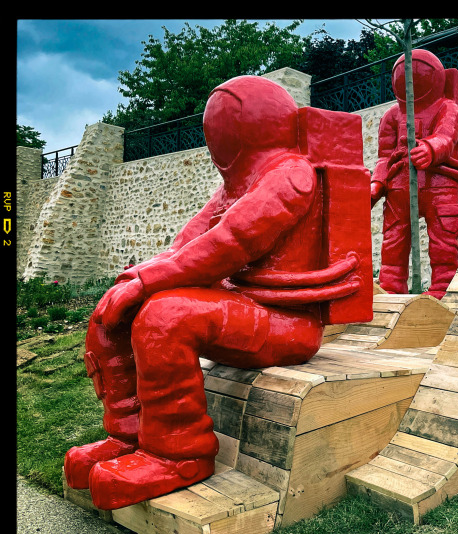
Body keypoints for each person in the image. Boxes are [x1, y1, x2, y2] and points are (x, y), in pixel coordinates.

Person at [64, 76, 363, 510]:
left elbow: (230, 243)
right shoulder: (234, 186)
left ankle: (180, 454)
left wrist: (147, 282)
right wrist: (135, 279)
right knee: (110, 314)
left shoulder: (291, 174)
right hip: (247, 312)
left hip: (289, 325)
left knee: (165, 317)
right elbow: (187, 242)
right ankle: (127, 434)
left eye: (222, 124)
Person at [371, 49, 458, 299]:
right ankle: (391, 286)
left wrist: (430, 148)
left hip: (440, 183)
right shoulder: (391, 115)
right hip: (398, 186)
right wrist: (376, 183)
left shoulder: (447, 107)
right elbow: (385, 156)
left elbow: (447, 137)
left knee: (443, 239)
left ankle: (443, 287)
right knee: (393, 239)